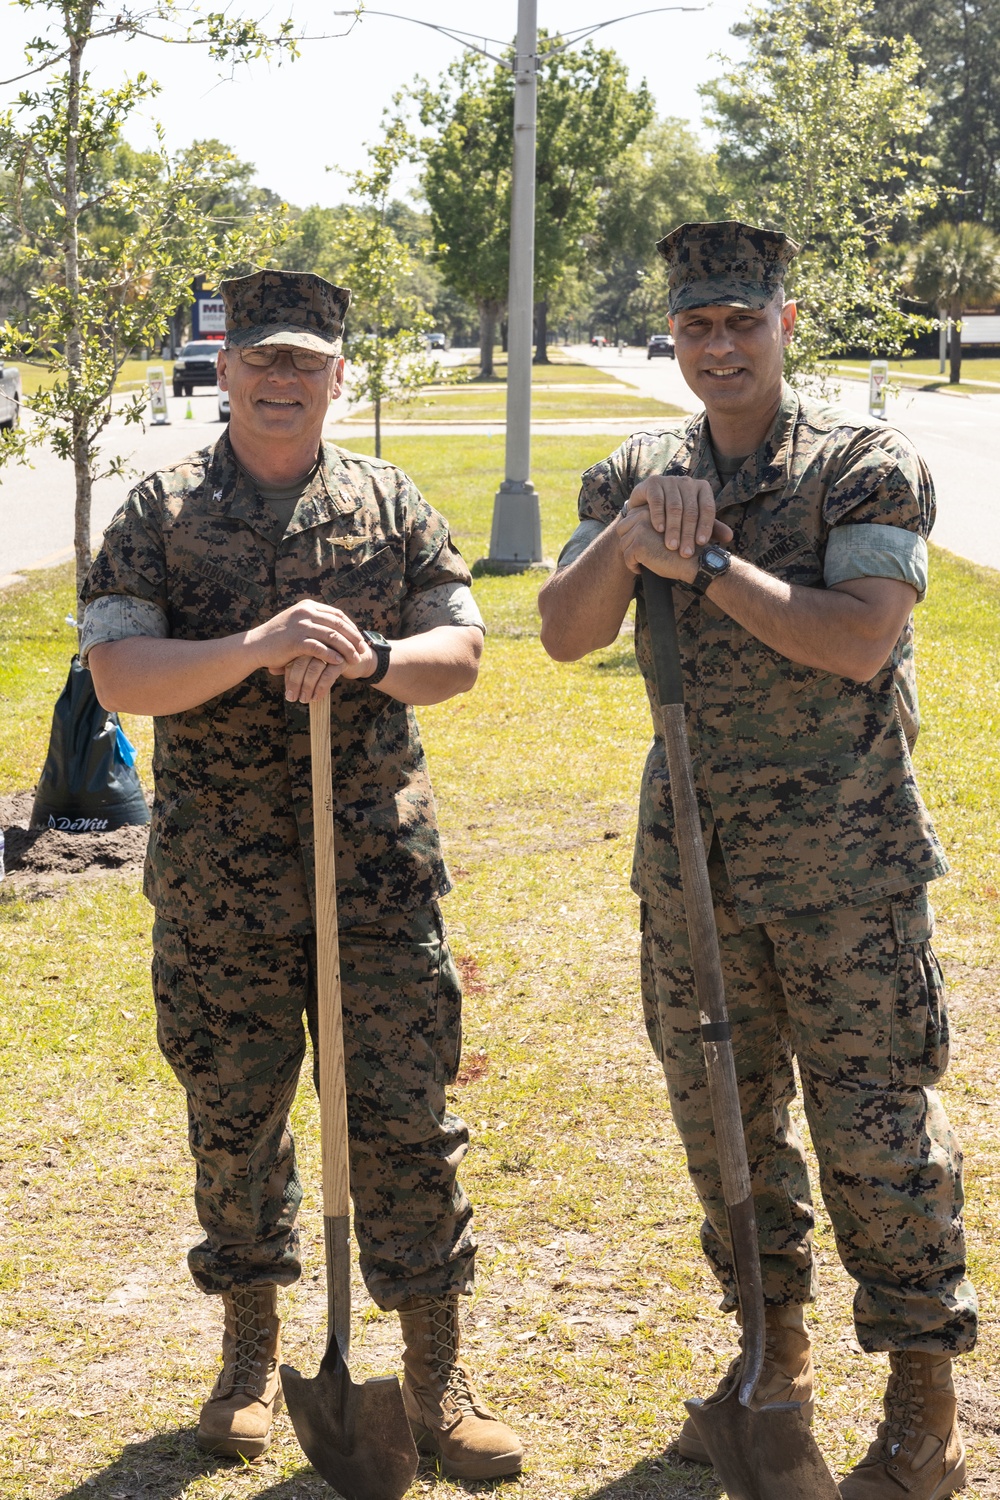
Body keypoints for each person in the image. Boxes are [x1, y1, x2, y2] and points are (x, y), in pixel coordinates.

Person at [538, 222, 976, 1500]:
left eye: (742, 322)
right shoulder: (640, 467)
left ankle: (921, 1413)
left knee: (875, 1130)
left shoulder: (861, 466)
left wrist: (712, 561)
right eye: (695, 326)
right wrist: (628, 542)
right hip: (692, 865)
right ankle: (766, 1366)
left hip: (844, 872)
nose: (719, 346)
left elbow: (853, 641)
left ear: (786, 325)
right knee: (724, 1130)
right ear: (672, 338)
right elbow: (565, 635)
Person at [82, 269, 523, 1479]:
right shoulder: (161, 510)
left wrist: (374, 656)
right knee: (236, 1125)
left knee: (407, 1128)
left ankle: (435, 1375)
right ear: (224, 370)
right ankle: (247, 1357)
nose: (282, 380)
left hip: (374, 873)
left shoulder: (387, 503)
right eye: (261, 360)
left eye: (306, 362)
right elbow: (121, 679)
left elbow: (462, 650)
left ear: (340, 377)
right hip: (223, 884)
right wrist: (259, 646)